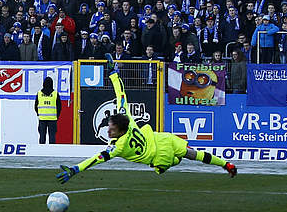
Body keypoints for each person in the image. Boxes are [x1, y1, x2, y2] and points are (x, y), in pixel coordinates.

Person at [57, 63, 237, 181]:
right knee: (193, 154)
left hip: (159, 157)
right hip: (162, 139)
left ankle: (175, 162)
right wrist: (113, 74)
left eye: (111, 129)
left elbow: (97, 159)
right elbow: (121, 94)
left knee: (170, 164)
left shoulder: (118, 147)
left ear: (120, 131)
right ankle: (226, 164)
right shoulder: (128, 119)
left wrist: (76, 169)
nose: (109, 131)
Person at [34, 75, 59, 143]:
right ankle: (52, 151)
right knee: (52, 137)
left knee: (42, 137)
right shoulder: (55, 94)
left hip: (42, 118)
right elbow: (59, 107)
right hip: (52, 119)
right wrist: (57, 116)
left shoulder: (39, 93)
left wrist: (39, 114)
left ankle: (41, 151)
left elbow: (35, 106)